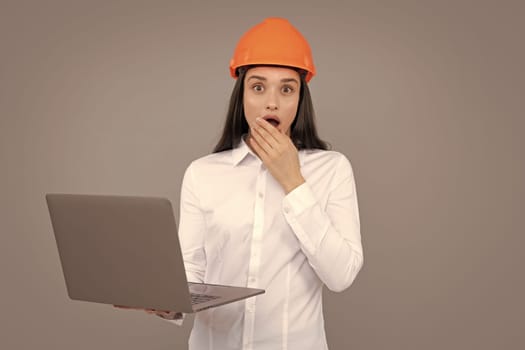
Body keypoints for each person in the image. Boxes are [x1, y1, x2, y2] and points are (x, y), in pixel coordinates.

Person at [118, 17, 363, 350]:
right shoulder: (202, 173)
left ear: (300, 99)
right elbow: (192, 271)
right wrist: (167, 301)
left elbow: (341, 275)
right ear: (242, 95)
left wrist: (293, 179)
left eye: (287, 88)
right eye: (258, 87)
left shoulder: (332, 169)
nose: (271, 102)